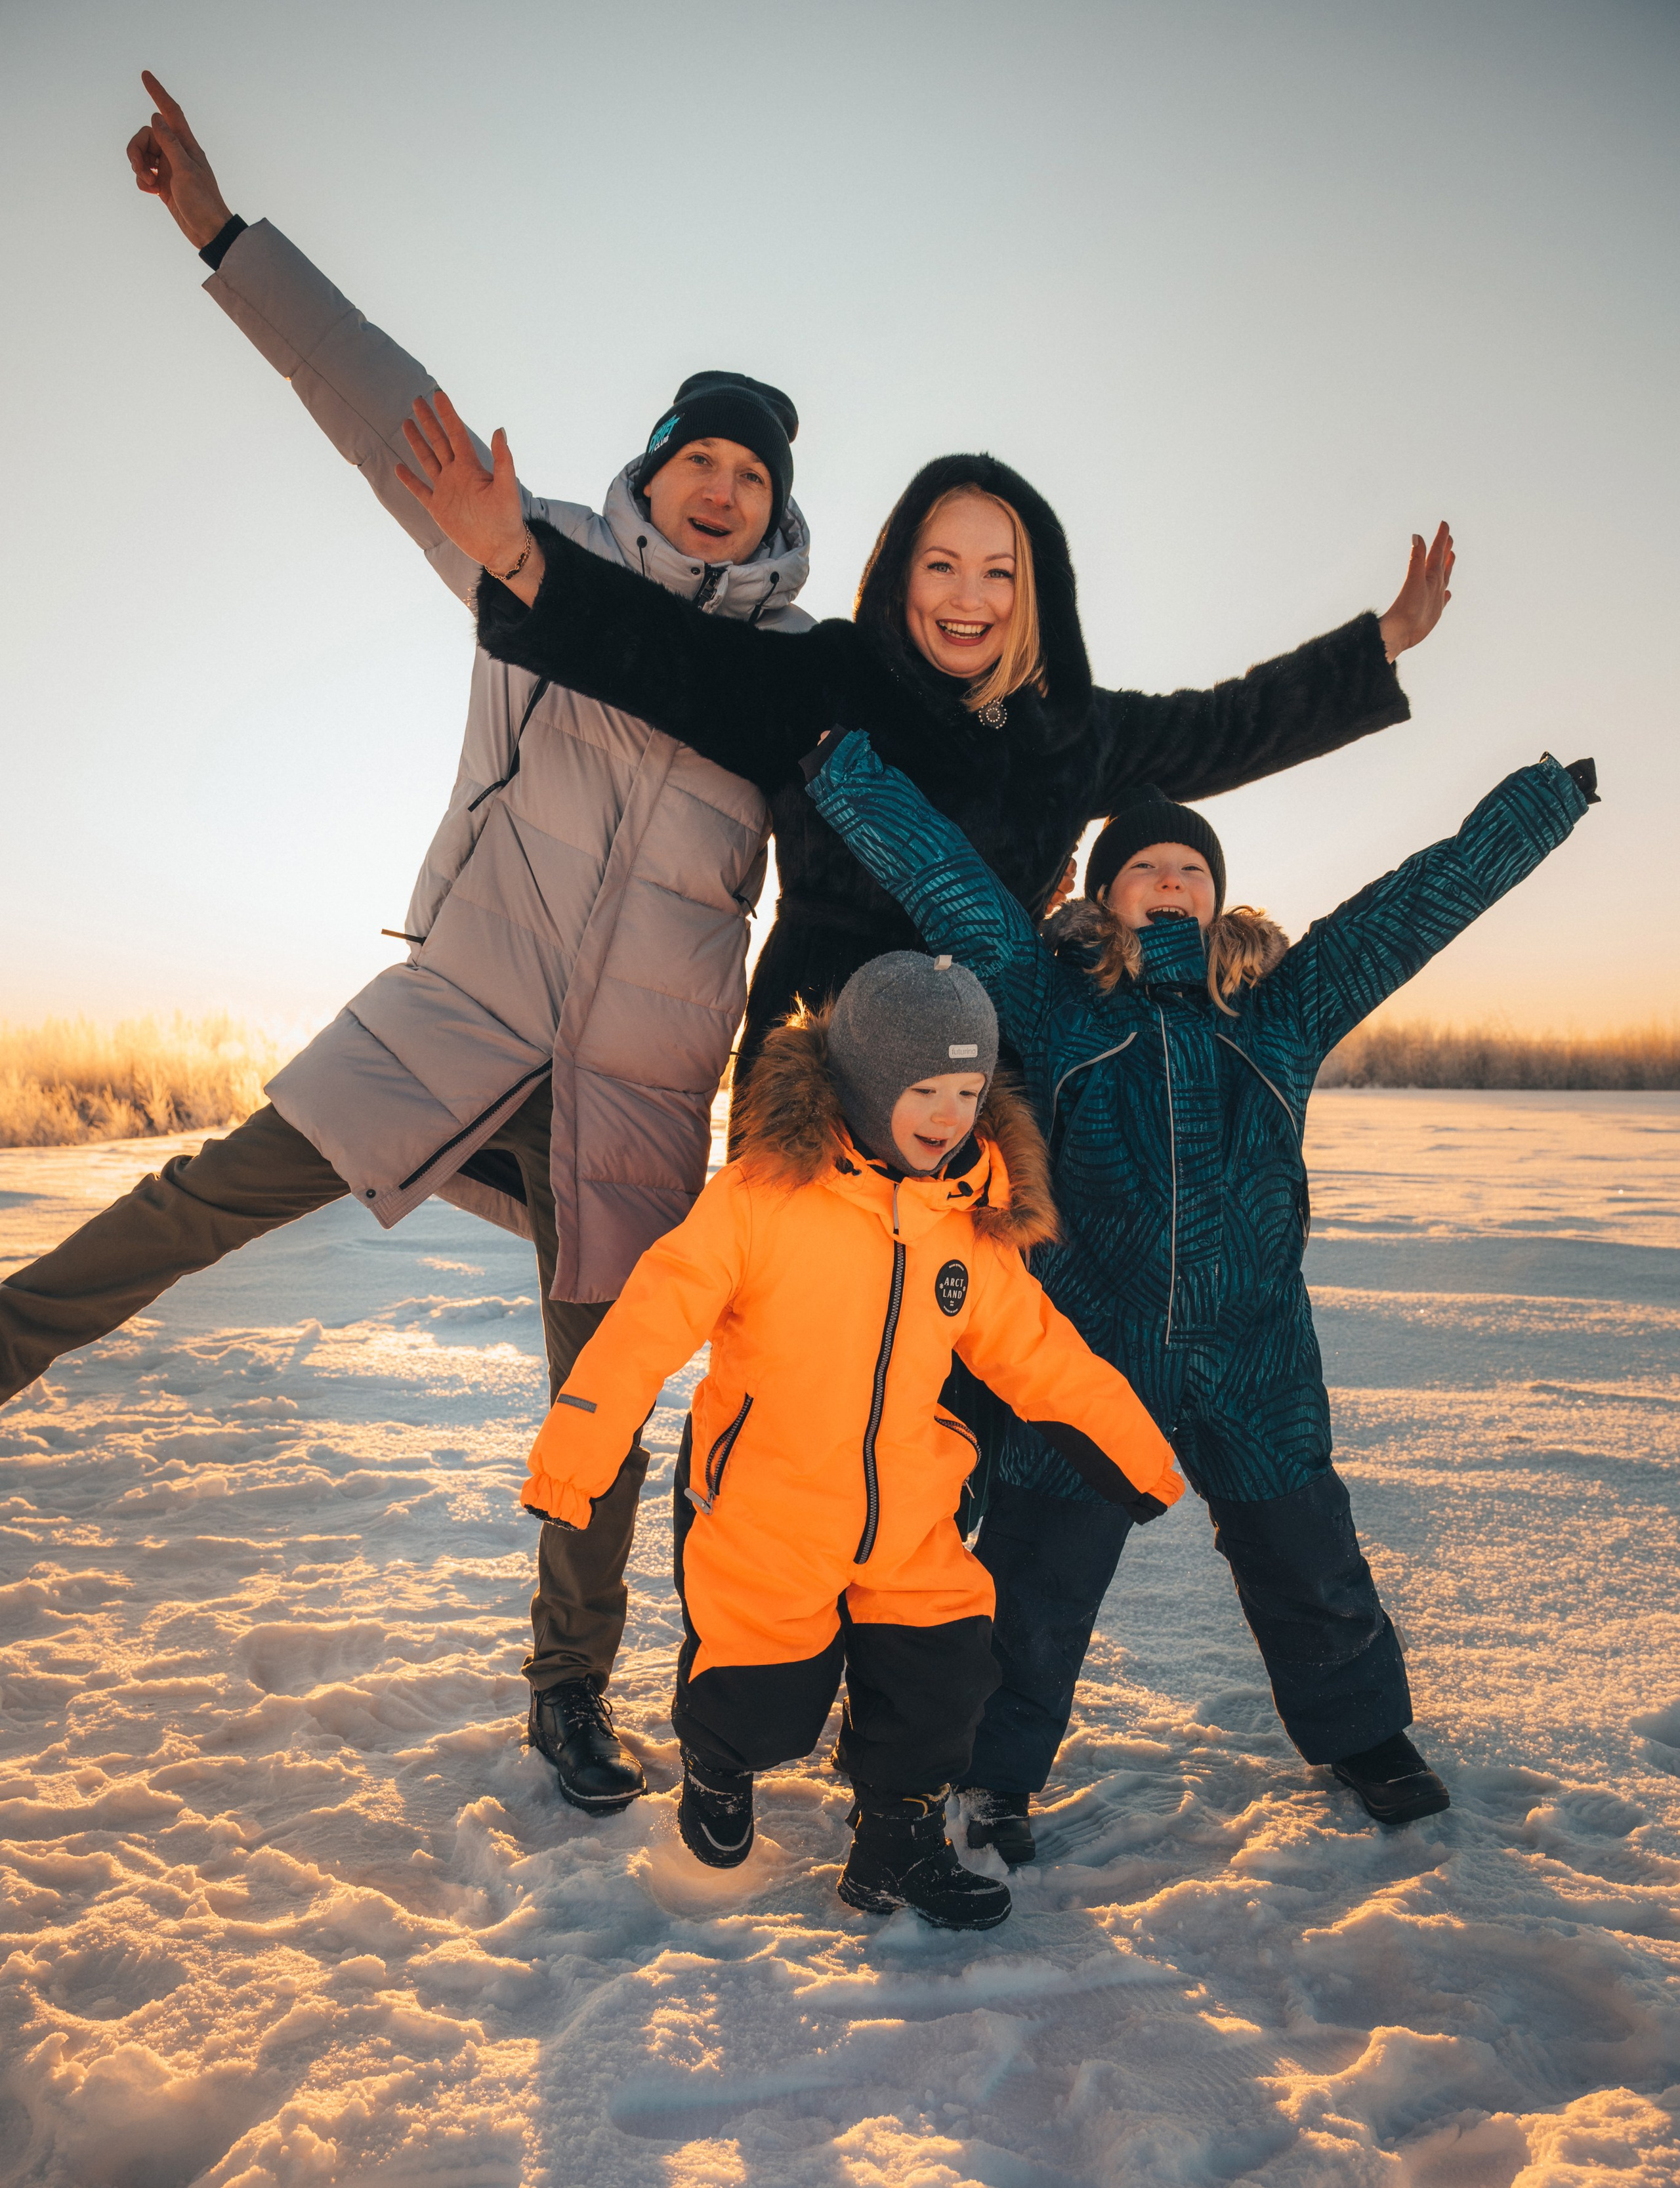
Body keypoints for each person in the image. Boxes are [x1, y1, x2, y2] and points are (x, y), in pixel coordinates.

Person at [0, 74, 816, 1817]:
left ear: (779, 505)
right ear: (655, 469)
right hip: (466, 1006)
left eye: (752, 471)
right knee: (213, 1190)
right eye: (701, 456)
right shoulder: (537, 554)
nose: (722, 487)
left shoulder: (793, 680)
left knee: (596, 1421)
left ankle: (569, 1696)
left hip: (641, 1090)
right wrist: (221, 234)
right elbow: (374, 395)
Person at [803, 732, 1600, 1861]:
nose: (1171, 882)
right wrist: (851, 779)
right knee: (1036, 1580)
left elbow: (1409, 912)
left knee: (1307, 1556)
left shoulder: (1281, 1011)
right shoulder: (1057, 1005)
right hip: (1089, 1351)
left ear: (1220, 897)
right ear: (1104, 898)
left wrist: (1536, 809)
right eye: (1144, 869)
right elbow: (953, 888)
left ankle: (1364, 1735)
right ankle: (990, 1772)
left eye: (1191, 869)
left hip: (1257, 1352)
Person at [396, 396, 1452, 1103]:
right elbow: (667, 658)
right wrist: (518, 557)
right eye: (942, 565)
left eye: (999, 572)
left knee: (955, 1385)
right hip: (818, 1057)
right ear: (902, 572)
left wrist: (1381, 647)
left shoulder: (1070, 729)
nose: (969, 596)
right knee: (800, 1353)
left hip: (982, 1073)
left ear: (1034, 591)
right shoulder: (833, 678)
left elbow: (1231, 722)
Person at [517, 950, 1184, 1930]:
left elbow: (1043, 1354)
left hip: (910, 1508)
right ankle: (720, 1766)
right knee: (762, 1685)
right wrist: (575, 1454)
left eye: (968, 1089)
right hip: (769, 1503)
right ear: (870, 1086)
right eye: (926, 1088)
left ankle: (895, 1847)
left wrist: (1137, 1453)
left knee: (944, 1670)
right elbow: (645, 1326)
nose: (951, 1114)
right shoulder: (757, 1199)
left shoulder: (968, 1224)